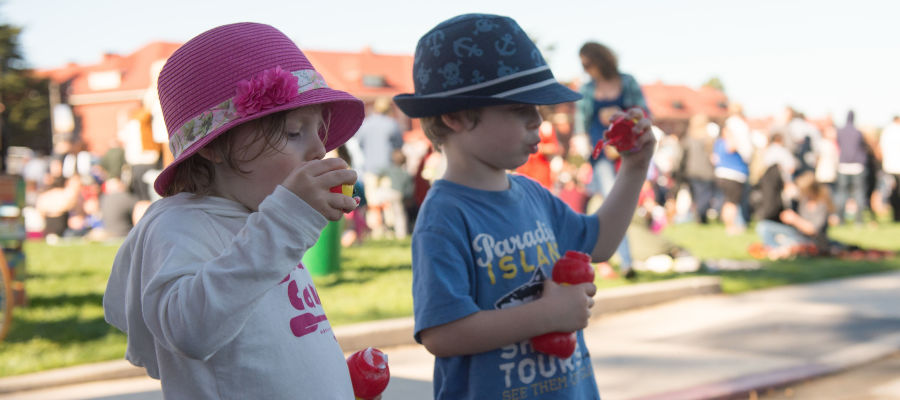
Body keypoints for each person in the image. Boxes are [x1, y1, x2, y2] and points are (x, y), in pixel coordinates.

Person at [393, 14, 656, 400]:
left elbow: (598, 243)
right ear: (456, 116)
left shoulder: (531, 194)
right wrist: (548, 315)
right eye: (521, 109)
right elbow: (442, 333)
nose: (538, 121)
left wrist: (634, 168)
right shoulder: (445, 215)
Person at [102, 23, 365, 399]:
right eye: (293, 132)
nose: (319, 150)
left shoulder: (257, 219)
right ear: (214, 147)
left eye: (318, 131)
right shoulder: (179, 224)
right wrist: (286, 221)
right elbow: (190, 330)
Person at [576, 41, 649, 278]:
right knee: (612, 203)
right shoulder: (587, 89)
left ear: (600, 60)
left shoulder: (627, 82)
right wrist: (581, 141)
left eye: (588, 63)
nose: (585, 69)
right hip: (601, 156)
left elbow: (644, 113)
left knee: (614, 204)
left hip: (625, 151)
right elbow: (581, 124)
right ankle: (625, 262)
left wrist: (621, 114)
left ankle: (607, 260)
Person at [834, 110, 869, 225]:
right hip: (857, 166)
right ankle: (858, 220)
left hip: (844, 165)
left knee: (842, 193)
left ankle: (841, 219)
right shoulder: (858, 132)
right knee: (858, 193)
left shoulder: (840, 131)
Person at [880, 115, 900, 222]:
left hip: (889, 167)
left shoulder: (886, 131)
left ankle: (895, 215)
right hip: (894, 166)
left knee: (892, 191)